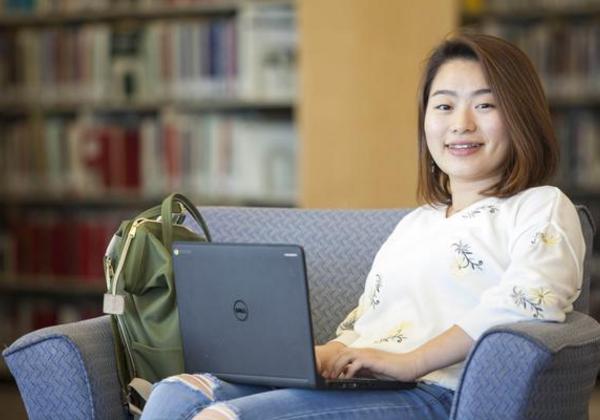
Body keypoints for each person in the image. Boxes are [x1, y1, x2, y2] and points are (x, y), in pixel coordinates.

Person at [141, 32, 585, 420]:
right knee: (176, 395)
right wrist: (317, 357)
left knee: (223, 417)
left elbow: (527, 303)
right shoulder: (416, 223)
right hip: (367, 383)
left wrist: (411, 362)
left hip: (436, 393)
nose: (460, 124)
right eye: (444, 105)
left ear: (521, 116)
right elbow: (368, 325)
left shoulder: (541, 207)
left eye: (485, 104)